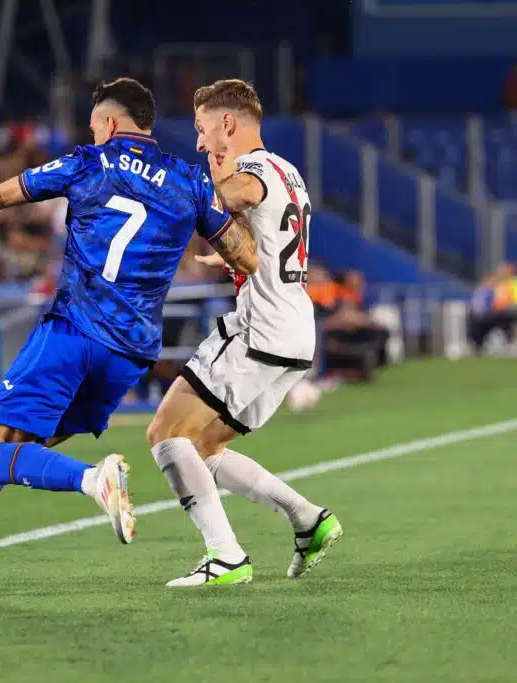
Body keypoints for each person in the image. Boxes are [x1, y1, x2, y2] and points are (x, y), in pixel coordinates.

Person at [0, 77, 248, 575]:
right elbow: (241, 253)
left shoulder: (89, 162)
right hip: (129, 354)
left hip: (74, 331)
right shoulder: (190, 181)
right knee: (9, 457)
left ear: (110, 123)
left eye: (95, 125)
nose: (93, 132)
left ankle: (93, 480)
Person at [148, 79, 341, 587]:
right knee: (204, 447)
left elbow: (230, 195)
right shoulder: (289, 172)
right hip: (295, 332)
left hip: (260, 329)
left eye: (202, 129)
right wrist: (228, 250)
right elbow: (264, 232)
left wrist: (189, 191)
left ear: (227, 125)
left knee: (165, 434)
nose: (199, 142)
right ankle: (308, 520)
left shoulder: (253, 170)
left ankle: (225, 555)